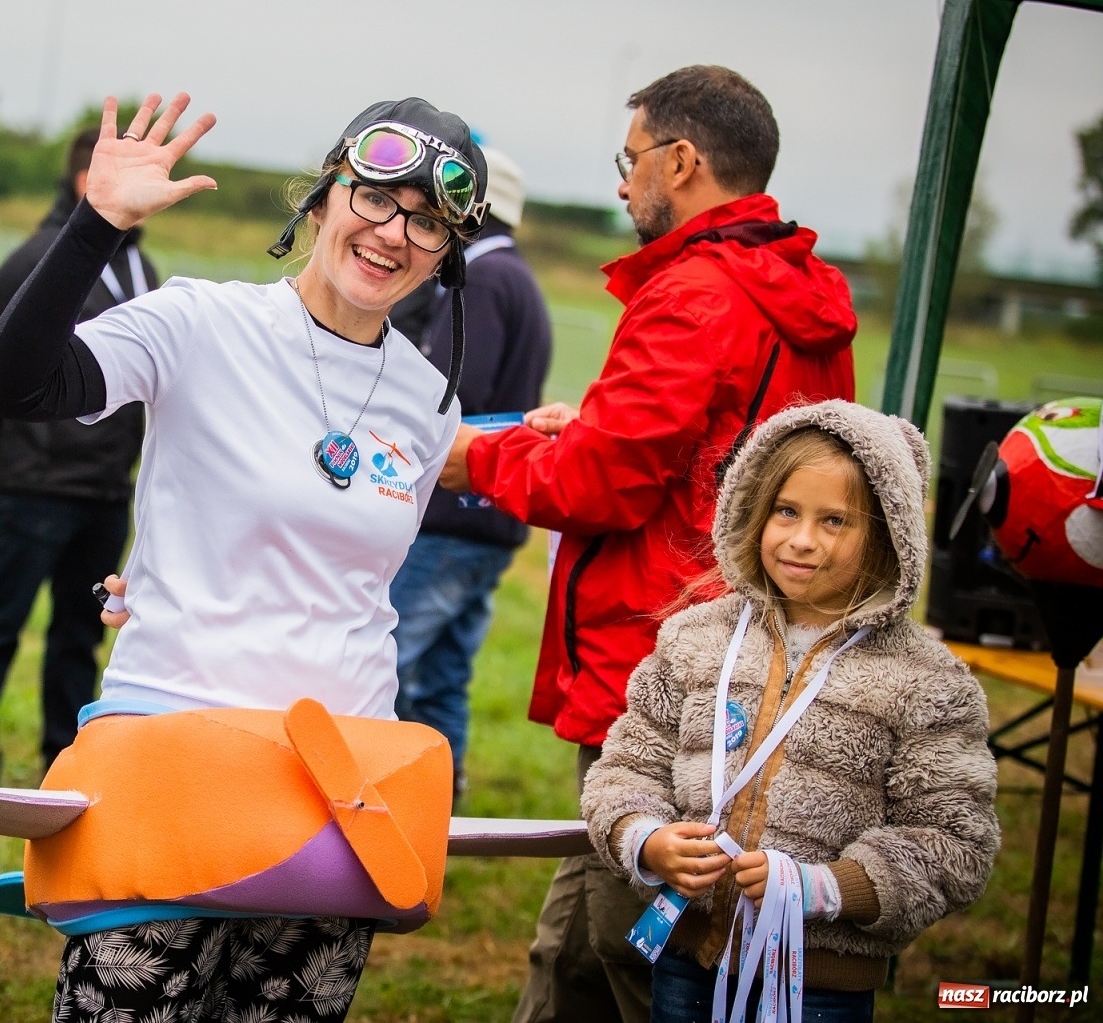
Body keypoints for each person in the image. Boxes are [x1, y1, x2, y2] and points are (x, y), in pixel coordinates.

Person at [0, 91, 483, 1023]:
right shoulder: (198, 323)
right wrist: (97, 224)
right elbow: (15, 383)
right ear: (323, 197)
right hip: (172, 750)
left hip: (341, 783)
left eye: (427, 222)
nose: (392, 233)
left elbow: (355, 579)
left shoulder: (428, 399)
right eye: (373, 198)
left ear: (446, 256)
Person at [439, 65, 859, 1022]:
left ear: (683, 160)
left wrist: (477, 459)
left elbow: (604, 482)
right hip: (735, 645)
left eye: (629, 162)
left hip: (657, 656)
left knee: (640, 938)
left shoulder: (696, 292)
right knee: (582, 930)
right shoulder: (788, 291)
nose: (622, 185)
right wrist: (587, 422)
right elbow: (715, 458)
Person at [581, 399, 1000, 1021]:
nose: (801, 540)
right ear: (753, 510)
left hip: (817, 984)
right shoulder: (696, 638)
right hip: (687, 960)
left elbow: (956, 842)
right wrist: (645, 839)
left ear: (889, 535)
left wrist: (830, 887)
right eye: (786, 511)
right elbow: (625, 767)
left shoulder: (927, 683)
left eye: (835, 521)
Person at [0, 128, 157, 785]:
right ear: (86, 181)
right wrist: (5, 456)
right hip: (36, 483)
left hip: (105, 491)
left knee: (81, 635)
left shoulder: (140, 265)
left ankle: (63, 763)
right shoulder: (30, 263)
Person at [389, 144, 551, 799]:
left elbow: (458, 386)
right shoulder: (522, 279)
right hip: (491, 516)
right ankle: (439, 812)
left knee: (386, 667)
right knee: (445, 676)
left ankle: (364, 813)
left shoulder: (479, 280)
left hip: (452, 513)